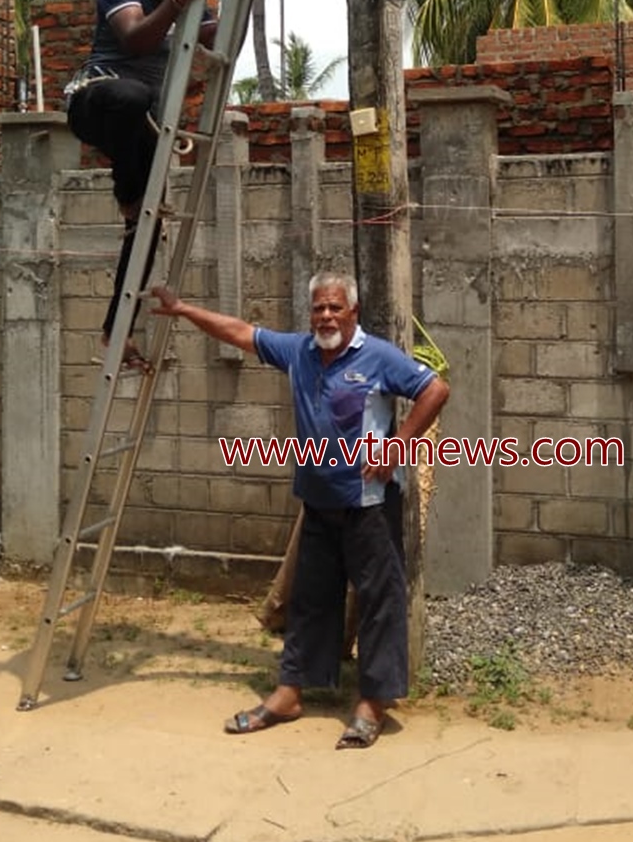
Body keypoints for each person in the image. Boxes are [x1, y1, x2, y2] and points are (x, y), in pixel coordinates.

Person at [152, 272, 450, 748]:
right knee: (310, 600)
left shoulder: (378, 356)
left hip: (369, 505)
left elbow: (434, 389)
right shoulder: (298, 352)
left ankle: (372, 704)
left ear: (353, 312)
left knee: (379, 602)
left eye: (335, 308)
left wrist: (398, 446)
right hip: (317, 500)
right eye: (318, 308)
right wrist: (184, 310)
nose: (326, 316)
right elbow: (240, 332)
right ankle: (290, 693)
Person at [65, 0, 258, 368]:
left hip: (140, 124)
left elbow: (226, 43)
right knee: (136, 96)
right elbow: (135, 39)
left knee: (147, 225)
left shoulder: (188, 0)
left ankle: (116, 333)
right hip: (96, 101)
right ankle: (126, 192)